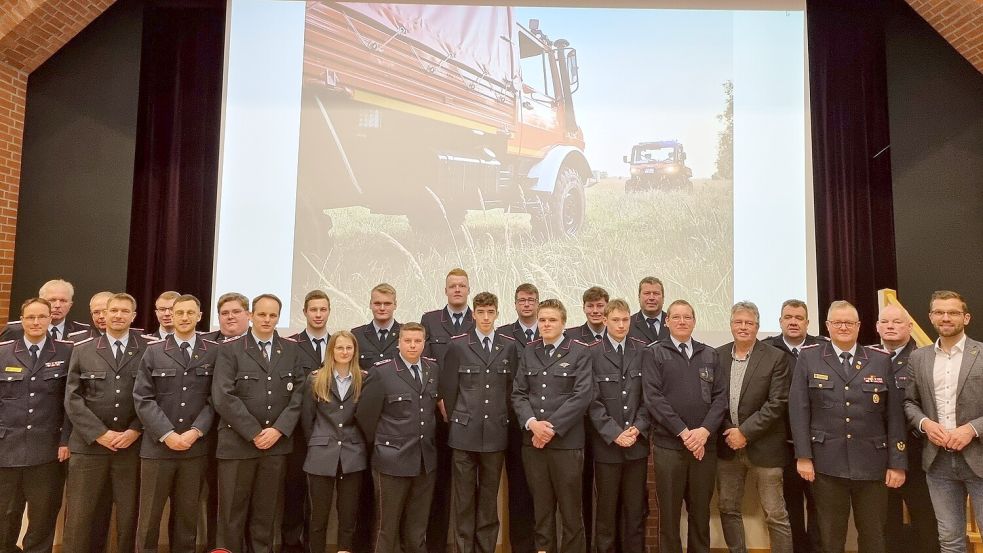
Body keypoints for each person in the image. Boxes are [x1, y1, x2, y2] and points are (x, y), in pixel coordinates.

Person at [789, 300, 906, 553]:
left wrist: (897, 462)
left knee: (873, 536)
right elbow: (798, 410)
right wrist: (803, 456)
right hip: (826, 464)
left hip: (872, 464)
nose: (843, 327)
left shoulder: (879, 359)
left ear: (859, 326)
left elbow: (894, 415)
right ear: (828, 326)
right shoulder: (810, 358)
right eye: (837, 322)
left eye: (849, 322)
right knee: (830, 538)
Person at [211, 294, 306, 553]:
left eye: (272, 315)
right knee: (232, 514)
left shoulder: (291, 350)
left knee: (265, 515)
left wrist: (277, 430)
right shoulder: (229, 350)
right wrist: (254, 432)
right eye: (262, 314)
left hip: (275, 446)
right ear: (251, 315)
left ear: (278, 317)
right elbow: (222, 396)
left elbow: (299, 395)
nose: (267, 320)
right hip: (237, 445)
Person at [63, 293, 149, 553]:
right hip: (89, 447)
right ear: (103, 315)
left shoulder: (148, 351)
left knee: (128, 517)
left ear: (134, 316)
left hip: (130, 447)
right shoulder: (82, 350)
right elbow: (72, 398)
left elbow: (152, 396)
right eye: (113, 311)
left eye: (125, 311)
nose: (118, 315)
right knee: (80, 517)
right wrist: (100, 433)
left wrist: (135, 430)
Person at [132, 294, 217, 553]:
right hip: (158, 449)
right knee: (149, 518)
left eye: (190, 313)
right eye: (179, 312)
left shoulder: (214, 352)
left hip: (195, 448)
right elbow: (143, 397)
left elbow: (216, 399)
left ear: (199, 317)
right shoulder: (154, 351)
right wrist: (167, 433)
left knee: (187, 518)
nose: (184, 318)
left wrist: (195, 432)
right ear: (171, 315)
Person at [643, 299, 727, 553]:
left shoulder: (709, 353)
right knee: (668, 516)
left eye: (687, 317)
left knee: (700, 514)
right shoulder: (654, 353)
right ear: (666, 321)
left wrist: (703, 433)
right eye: (676, 317)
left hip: (704, 447)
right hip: (669, 447)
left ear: (694, 321)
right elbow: (653, 398)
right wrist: (684, 433)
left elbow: (720, 397)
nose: (682, 321)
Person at [904, 290, 983, 553]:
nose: (945, 317)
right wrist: (925, 424)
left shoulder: (982, 354)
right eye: (939, 312)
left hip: (979, 459)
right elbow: (910, 403)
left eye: (953, 312)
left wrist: (972, 429)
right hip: (938, 463)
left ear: (966, 317)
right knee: (949, 540)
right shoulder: (919, 358)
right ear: (930, 317)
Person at [511, 299, 592, 553]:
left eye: (552, 320)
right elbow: (519, 394)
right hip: (533, 444)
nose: (546, 324)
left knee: (570, 512)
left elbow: (582, 396)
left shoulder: (579, 351)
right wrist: (533, 424)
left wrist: (550, 429)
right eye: (542, 320)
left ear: (564, 323)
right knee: (542, 511)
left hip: (566, 445)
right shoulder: (529, 350)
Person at [440, 292, 518, 553]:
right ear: (473, 314)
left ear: (497, 313)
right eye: (481, 312)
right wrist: (457, 419)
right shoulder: (458, 345)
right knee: (463, 502)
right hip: (463, 434)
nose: (485, 317)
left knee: (488, 502)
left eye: (490, 312)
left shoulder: (508, 346)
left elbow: (511, 390)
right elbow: (449, 389)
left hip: (495, 433)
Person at [355, 322, 441, 553]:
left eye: (417, 341)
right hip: (392, 460)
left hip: (424, 460)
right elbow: (365, 415)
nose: (412, 345)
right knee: (386, 527)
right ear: (399, 343)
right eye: (407, 341)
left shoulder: (432, 369)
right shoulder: (382, 372)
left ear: (424, 343)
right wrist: (384, 444)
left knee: (417, 528)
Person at [715, 301, 793, 553]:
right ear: (730, 325)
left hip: (765, 448)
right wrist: (730, 431)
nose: (743, 327)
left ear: (757, 326)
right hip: (727, 446)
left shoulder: (775, 357)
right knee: (728, 508)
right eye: (738, 322)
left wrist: (744, 433)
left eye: (749, 323)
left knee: (775, 513)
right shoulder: (717, 355)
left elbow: (777, 402)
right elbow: (713, 400)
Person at [0, 298, 74, 553]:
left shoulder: (67, 352)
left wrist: (66, 440)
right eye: (30, 317)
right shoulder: (3, 352)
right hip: (6, 448)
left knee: (43, 515)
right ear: (21, 320)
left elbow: (70, 402)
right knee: (5, 514)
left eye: (41, 317)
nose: (35, 322)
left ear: (50, 319)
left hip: (48, 449)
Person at [762, 299, 825, 553]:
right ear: (780, 321)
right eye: (788, 317)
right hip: (782, 441)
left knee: (819, 504)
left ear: (807, 322)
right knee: (790, 505)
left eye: (799, 317)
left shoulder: (822, 347)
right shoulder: (768, 349)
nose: (793, 321)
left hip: (819, 441)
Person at [586, 299, 650, 553]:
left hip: (637, 444)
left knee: (635, 512)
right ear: (605, 321)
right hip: (607, 447)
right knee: (606, 514)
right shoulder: (591, 352)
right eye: (615, 320)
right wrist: (614, 433)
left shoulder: (643, 350)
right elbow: (591, 399)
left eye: (625, 320)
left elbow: (649, 396)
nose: (621, 325)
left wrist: (638, 427)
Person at [875, 303, 938, 553]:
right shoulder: (866, 358)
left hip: (916, 451)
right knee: (884, 520)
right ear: (877, 326)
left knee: (924, 518)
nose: (890, 326)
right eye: (885, 322)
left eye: (897, 322)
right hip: (877, 452)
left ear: (910, 327)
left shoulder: (923, 359)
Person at [421, 268, 473, 553]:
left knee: (467, 487)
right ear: (445, 290)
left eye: (462, 286)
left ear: (468, 290)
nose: (457, 290)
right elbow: (426, 363)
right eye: (452, 286)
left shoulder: (478, 319)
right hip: (436, 413)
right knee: (438, 484)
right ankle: (436, 546)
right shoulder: (430, 320)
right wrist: (439, 397)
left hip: (470, 413)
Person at [301, 331, 367, 553]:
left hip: (352, 455)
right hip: (321, 455)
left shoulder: (364, 379)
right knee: (318, 517)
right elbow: (307, 420)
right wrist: (320, 442)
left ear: (355, 351)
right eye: (340, 348)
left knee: (348, 516)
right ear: (331, 351)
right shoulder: (315, 379)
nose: (345, 352)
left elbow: (366, 418)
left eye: (349, 348)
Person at [283, 289, 333, 552]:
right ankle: (291, 543)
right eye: (313, 309)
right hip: (298, 433)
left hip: (329, 431)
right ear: (304, 312)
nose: (318, 314)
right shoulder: (291, 344)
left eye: (323, 309)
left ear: (329, 311)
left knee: (321, 495)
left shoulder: (340, 343)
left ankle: (316, 544)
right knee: (294, 489)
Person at [495, 283, 539, 553]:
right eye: (522, 300)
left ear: (538, 302)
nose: (526, 304)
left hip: (546, 424)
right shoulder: (503, 335)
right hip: (514, 424)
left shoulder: (550, 331)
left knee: (543, 490)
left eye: (531, 300)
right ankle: (521, 546)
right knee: (519, 490)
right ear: (515, 304)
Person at [1, 278, 90, 341]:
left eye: (63, 301)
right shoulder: (15, 330)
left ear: (70, 305)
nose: (58, 305)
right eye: (52, 300)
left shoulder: (83, 331)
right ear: (41, 301)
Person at [353, 283, 401, 372]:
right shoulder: (357, 335)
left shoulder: (406, 334)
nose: (382, 308)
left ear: (395, 305)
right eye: (377, 303)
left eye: (387, 304)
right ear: (370, 304)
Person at [629, 276, 669, 344]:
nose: (651, 298)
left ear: (663, 298)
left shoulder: (674, 323)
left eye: (656, 293)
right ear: (639, 297)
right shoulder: (628, 324)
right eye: (647, 293)